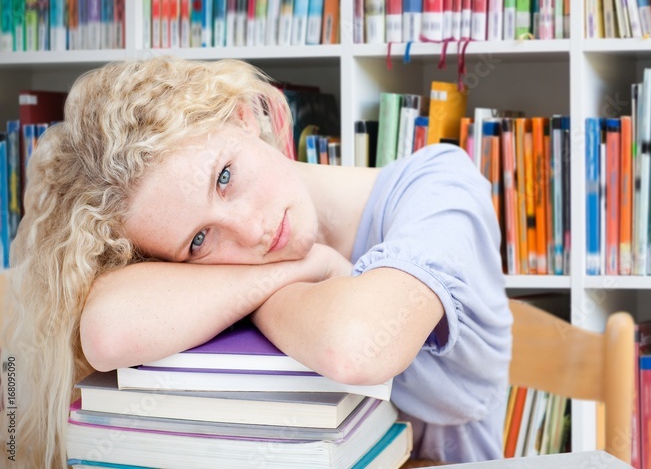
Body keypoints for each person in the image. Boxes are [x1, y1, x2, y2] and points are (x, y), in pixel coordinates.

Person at [1, 56, 512, 467]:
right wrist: (304, 269)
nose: (251, 232)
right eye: (199, 239)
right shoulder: (255, 261)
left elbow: (356, 348)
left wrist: (256, 292)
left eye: (224, 176)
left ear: (244, 118)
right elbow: (107, 330)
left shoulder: (444, 188)